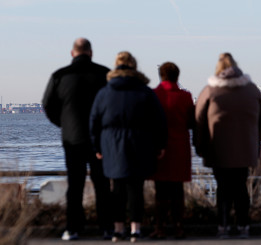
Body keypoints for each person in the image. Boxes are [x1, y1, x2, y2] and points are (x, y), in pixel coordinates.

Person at [89, 51, 167, 243]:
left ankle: (117, 229)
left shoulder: (104, 92)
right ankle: (135, 229)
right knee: (136, 189)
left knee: (117, 189)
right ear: (134, 66)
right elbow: (159, 120)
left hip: (112, 144)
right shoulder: (145, 91)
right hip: (140, 142)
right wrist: (160, 144)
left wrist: (97, 146)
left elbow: (94, 122)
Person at [42, 38, 113, 241]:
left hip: (72, 138)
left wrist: (63, 123)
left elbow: (47, 105)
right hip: (99, 138)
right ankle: (106, 227)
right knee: (102, 184)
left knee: (75, 184)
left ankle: (73, 228)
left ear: (72, 53)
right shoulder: (104, 74)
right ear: (91, 52)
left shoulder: (59, 75)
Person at [194, 53, 261, 239]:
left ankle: (223, 226)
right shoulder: (251, 90)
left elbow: (198, 120)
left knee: (223, 188)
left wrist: (199, 145)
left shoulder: (210, 91)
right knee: (241, 188)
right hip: (245, 149)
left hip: (218, 149)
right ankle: (243, 226)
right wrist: (257, 141)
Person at [149, 62, 195, 239]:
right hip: (180, 148)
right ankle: (178, 226)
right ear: (177, 76)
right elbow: (191, 122)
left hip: (158, 149)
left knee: (160, 192)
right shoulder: (185, 96)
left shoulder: (154, 95)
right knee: (177, 191)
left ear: (161, 75)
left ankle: (160, 227)